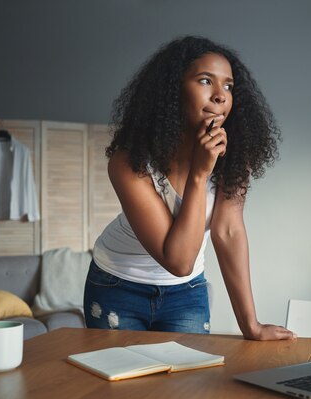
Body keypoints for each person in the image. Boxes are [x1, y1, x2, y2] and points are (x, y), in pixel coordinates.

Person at [83, 36, 295, 341]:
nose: (221, 96)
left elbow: (228, 232)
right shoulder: (130, 162)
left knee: (188, 388)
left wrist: (251, 325)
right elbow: (178, 260)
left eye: (229, 86)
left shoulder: (233, 160)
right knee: (126, 388)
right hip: (118, 285)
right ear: (173, 91)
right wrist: (200, 173)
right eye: (206, 81)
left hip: (186, 292)